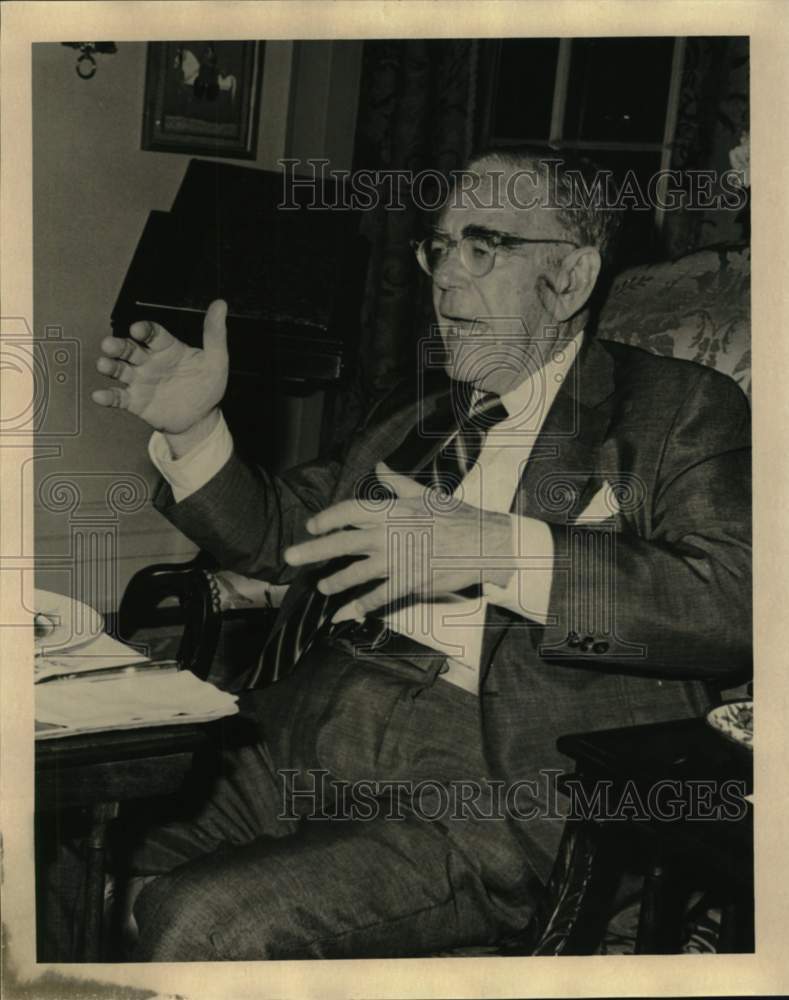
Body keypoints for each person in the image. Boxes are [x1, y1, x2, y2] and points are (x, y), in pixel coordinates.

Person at [88, 147, 751, 960]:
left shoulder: (676, 409)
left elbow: (734, 601)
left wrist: (501, 553)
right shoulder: (413, 410)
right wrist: (191, 429)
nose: (444, 278)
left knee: (207, 922)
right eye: (439, 248)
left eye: (485, 246)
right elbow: (285, 535)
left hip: (486, 781)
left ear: (572, 279)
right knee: (52, 826)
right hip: (301, 724)